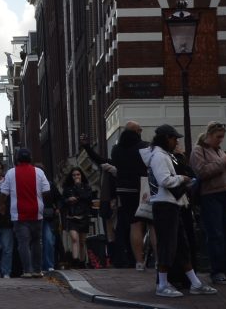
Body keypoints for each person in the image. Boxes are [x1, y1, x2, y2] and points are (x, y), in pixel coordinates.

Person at [147, 124, 217, 298]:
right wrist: (183, 178)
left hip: (170, 205)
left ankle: (194, 282)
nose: (176, 141)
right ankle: (162, 285)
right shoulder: (159, 156)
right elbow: (164, 180)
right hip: (165, 206)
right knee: (168, 246)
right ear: (166, 138)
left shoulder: (161, 155)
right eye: (174, 138)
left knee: (180, 246)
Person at [81, 120, 147, 268]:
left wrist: (86, 147)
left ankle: (134, 260)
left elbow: (101, 160)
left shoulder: (116, 151)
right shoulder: (142, 148)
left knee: (127, 227)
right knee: (133, 227)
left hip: (121, 196)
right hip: (130, 195)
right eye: (139, 130)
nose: (141, 132)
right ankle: (132, 259)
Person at [190, 121, 226, 286]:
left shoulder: (219, 151)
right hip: (210, 195)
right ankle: (217, 271)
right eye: (218, 137)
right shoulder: (198, 151)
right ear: (209, 135)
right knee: (216, 235)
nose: (221, 140)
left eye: (222, 137)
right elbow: (202, 172)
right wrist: (224, 161)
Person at [0, 147, 50, 278]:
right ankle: (37, 270)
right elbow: (46, 190)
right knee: (37, 241)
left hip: (19, 214)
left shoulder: (11, 173)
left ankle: (27, 270)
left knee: (23, 243)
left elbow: (3, 193)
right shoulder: (38, 172)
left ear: (17, 159)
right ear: (30, 158)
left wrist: (2, 205)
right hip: (36, 212)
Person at [61, 167, 94, 268]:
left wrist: (78, 186)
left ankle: (82, 261)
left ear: (81, 175)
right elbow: (62, 202)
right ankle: (75, 260)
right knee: (75, 239)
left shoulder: (86, 187)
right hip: (72, 217)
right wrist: (68, 200)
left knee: (82, 241)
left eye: (78, 175)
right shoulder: (67, 189)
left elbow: (87, 198)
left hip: (83, 216)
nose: (76, 177)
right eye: (74, 175)